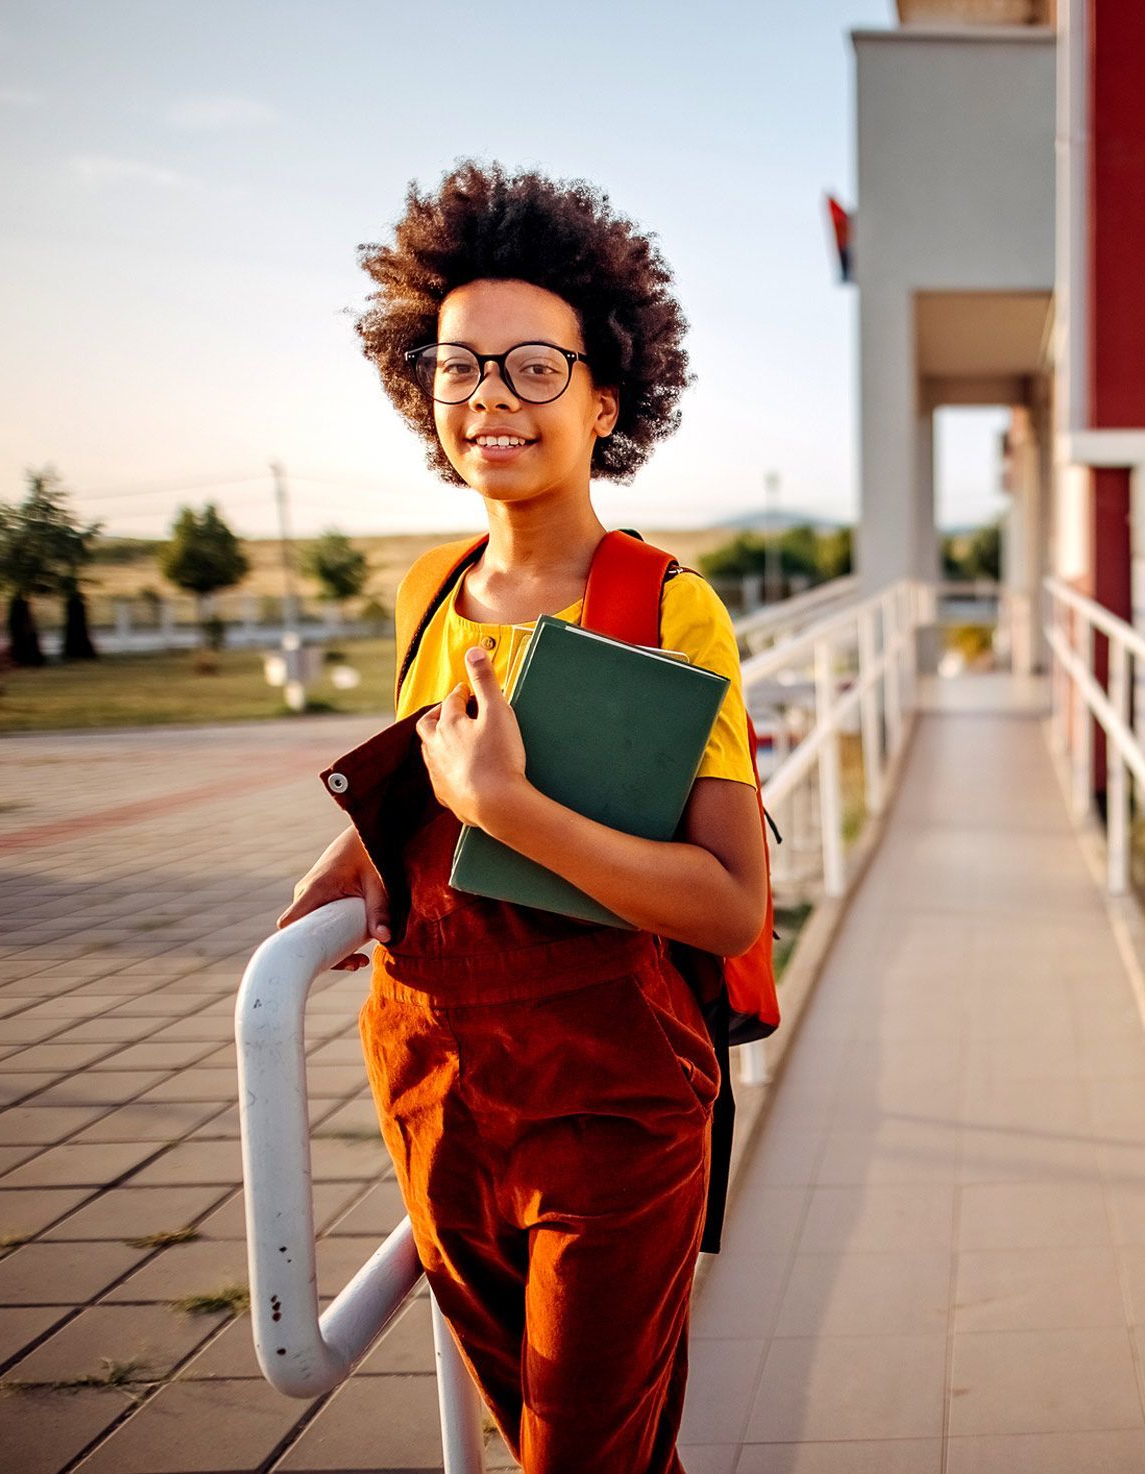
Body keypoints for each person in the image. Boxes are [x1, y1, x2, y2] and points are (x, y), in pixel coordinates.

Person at [279, 160, 768, 1474]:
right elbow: (427, 785)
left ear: (608, 397)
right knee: (552, 1438)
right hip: (433, 1081)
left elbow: (728, 902)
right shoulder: (426, 590)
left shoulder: (665, 604)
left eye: (534, 367)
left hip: (612, 1092)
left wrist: (513, 804)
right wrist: (333, 886)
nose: (490, 396)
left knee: (580, 1458)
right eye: (459, 367)